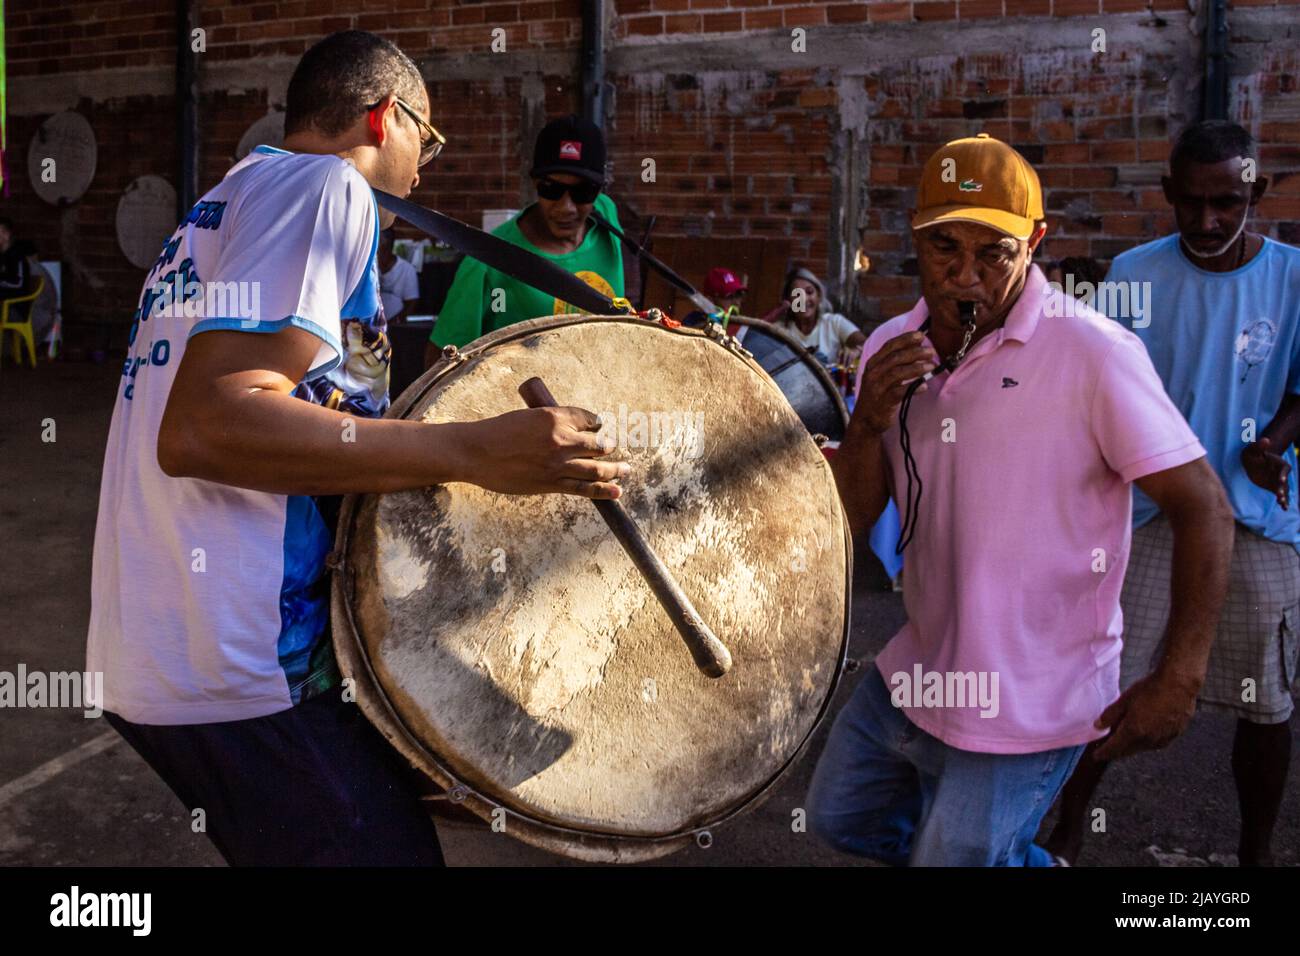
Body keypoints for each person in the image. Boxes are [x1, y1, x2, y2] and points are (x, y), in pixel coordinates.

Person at [86, 30, 628, 867]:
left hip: (163, 653)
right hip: (245, 664)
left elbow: (300, 411)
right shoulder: (325, 186)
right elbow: (206, 425)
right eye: (428, 139)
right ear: (384, 118)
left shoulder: (228, 200)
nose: (426, 169)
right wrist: (475, 453)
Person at [806, 132, 1234, 866]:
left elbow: (1204, 507)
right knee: (836, 818)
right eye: (944, 248)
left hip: (1033, 692)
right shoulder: (887, 347)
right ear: (915, 237)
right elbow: (848, 519)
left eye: (993, 253)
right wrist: (868, 421)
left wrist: (1180, 675)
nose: (964, 277)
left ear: (1035, 243)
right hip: (920, 665)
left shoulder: (1093, 353)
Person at [1046, 121, 1300, 867]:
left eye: (1226, 202)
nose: (1207, 221)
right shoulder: (1133, 273)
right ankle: (1065, 833)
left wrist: (1274, 443)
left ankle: (1254, 856)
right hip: (1152, 514)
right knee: (1105, 685)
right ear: (1167, 196)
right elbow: (1097, 384)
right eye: (1190, 203)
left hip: (1257, 523)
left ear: (1254, 192)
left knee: (1267, 705)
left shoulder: (1293, 277)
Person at [423, 114, 625, 365]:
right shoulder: (489, 260)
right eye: (551, 189)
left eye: (583, 191)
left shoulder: (606, 217)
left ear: (599, 190)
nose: (567, 207)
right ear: (535, 183)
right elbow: (439, 361)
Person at [763, 266, 864, 368]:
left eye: (809, 292)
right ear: (789, 300)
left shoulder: (833, 323)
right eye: (797, 294)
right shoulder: (779, 331)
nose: (804, 299)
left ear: (819, 296)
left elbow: (866, 344)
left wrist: (856, 351)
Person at [377, 227, 420, 323]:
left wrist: (398, 320)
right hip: (371, 323)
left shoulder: (407, 269)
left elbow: (412, 301)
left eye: (379, 240)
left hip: (394, 323)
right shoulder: (370, 266)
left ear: (388, 243)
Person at [682, 266, 747, 327]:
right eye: (730, 296)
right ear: (709, 300)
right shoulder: (693, 322)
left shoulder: (742, 327)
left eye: (738, 295)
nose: (737, 303)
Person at [0, 216, 31, 305]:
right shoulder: (2, 256)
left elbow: (18, 284)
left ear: (6, 235)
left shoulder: (17, 256)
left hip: (14, 307)